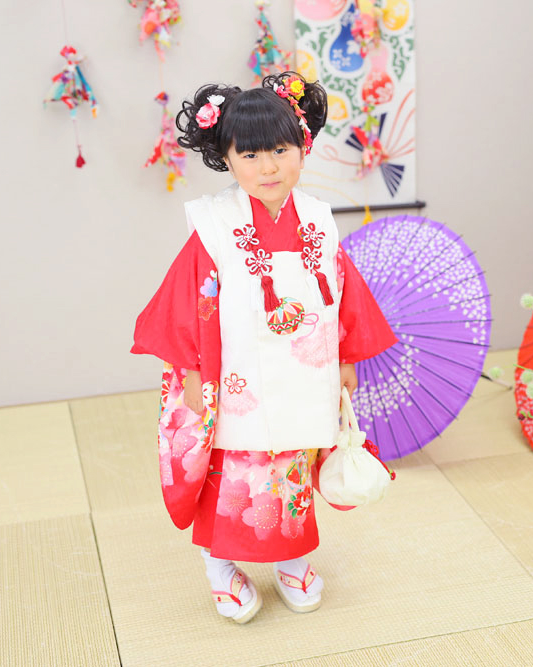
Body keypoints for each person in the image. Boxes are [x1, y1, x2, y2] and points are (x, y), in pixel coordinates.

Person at [131, 71, 396, 624]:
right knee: (237, 475)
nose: (268, 167)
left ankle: (290, 557)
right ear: (226, 158)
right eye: (249, 154)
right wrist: (193, 372)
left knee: (293, 467)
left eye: (280, 150)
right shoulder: (215, 225)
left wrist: (347, 356)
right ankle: (219, 563)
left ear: (303, 147)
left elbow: (342, 291)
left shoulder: (318, 220)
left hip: (304, 374)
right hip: (239, 382)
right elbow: (188, 301)